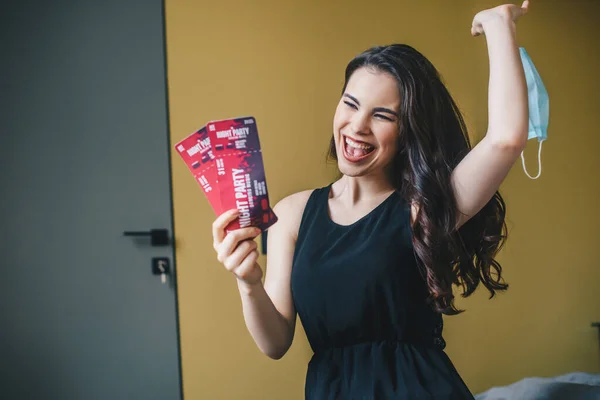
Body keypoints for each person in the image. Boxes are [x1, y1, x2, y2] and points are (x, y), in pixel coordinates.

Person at [212, 1, 531, 398]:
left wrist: (498, 25)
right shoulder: (292, 215)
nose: (357, 126)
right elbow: (275, 342)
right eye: (350, 103)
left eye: (383, 115)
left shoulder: (423, 210)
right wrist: (247, 281)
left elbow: (506, 138)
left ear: (408, 131)